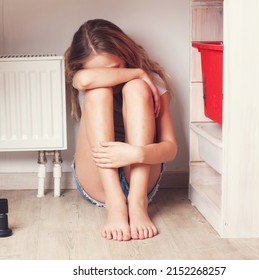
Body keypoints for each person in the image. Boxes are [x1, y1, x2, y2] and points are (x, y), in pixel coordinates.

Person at [64, 19, 177, 241]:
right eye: (99, 72)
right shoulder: (86, 81)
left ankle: (137, 205)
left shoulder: (150, 83)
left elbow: (171, 149)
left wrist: (137, 153)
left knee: (137, 89)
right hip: (98, 180)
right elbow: (85, 79)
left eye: (114, 69)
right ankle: (115, 205)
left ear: (125, 55)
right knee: (98, 92)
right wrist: (136, 73)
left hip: (141, 179)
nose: (109, 77)